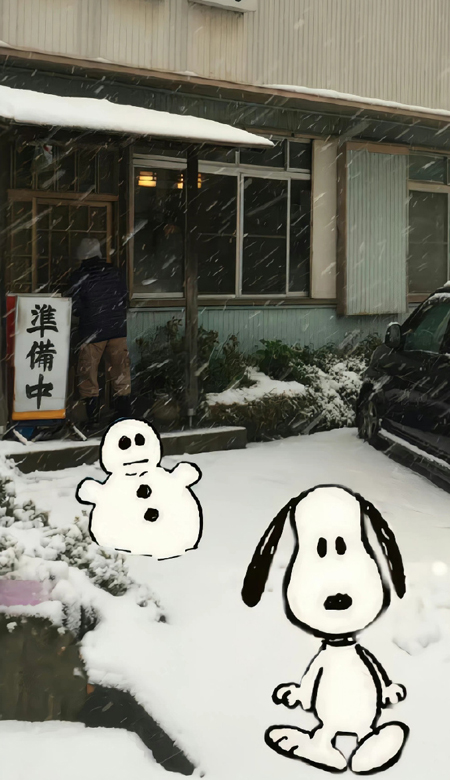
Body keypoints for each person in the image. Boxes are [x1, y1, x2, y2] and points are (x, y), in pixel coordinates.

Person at [68, 238, 131, 429]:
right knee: (120, 371)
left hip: (92, 331)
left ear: (82, 255)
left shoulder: (78, 276)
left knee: (88, 374)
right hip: (117, 328)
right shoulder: (115, 272)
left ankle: (93, 418)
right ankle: (123, 415)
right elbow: (125, 298)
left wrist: (89, 314)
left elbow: (75, 307)